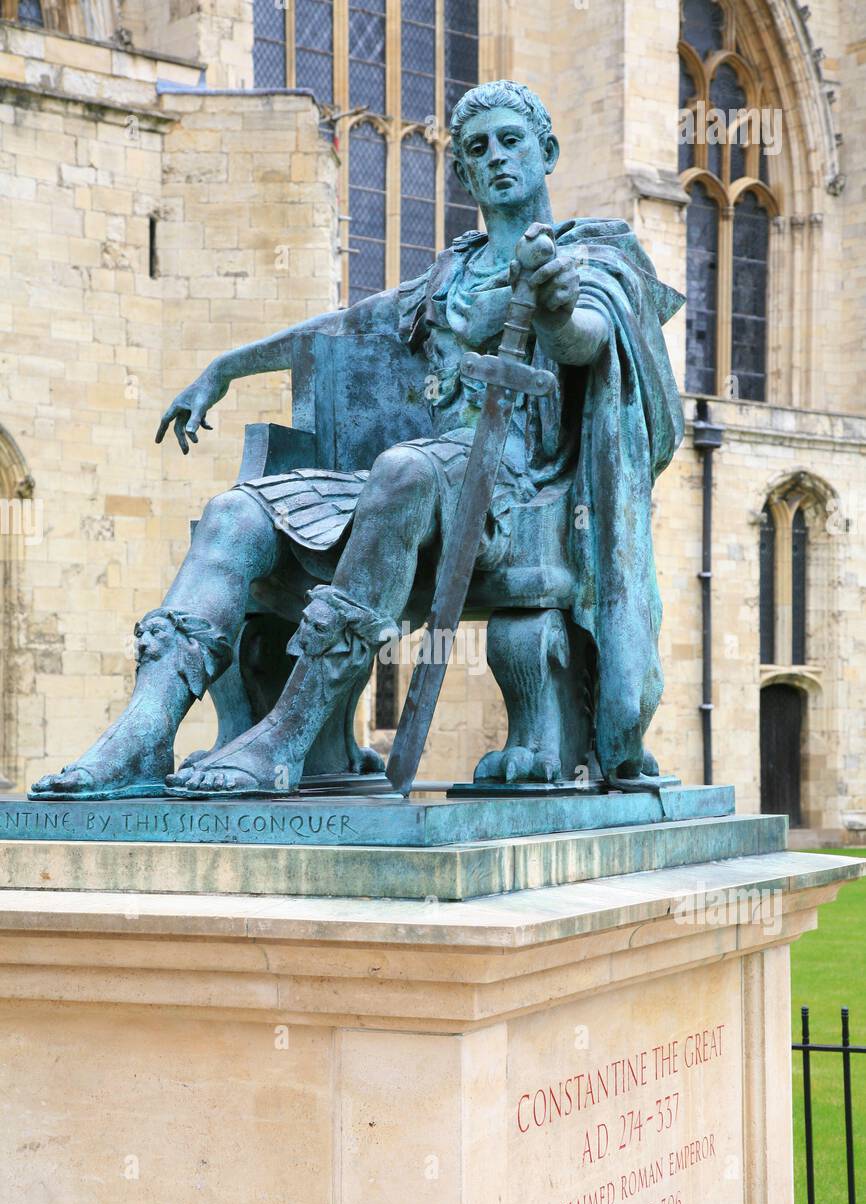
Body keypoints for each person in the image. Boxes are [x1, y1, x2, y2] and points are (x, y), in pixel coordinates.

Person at [31, 80, 683, 800]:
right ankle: (143, 733)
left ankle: (288, 732)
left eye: (510, 140)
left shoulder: (584, 257)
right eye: (476, 149)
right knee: (235, 513)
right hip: (428, 480)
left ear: (547, 151)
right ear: (462, 172)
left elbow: (587, 339)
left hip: (515, 492)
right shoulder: (448, 275)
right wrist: (223, 368)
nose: (495, 157)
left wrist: (556, 310)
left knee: (401, 470)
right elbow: (334, 328)